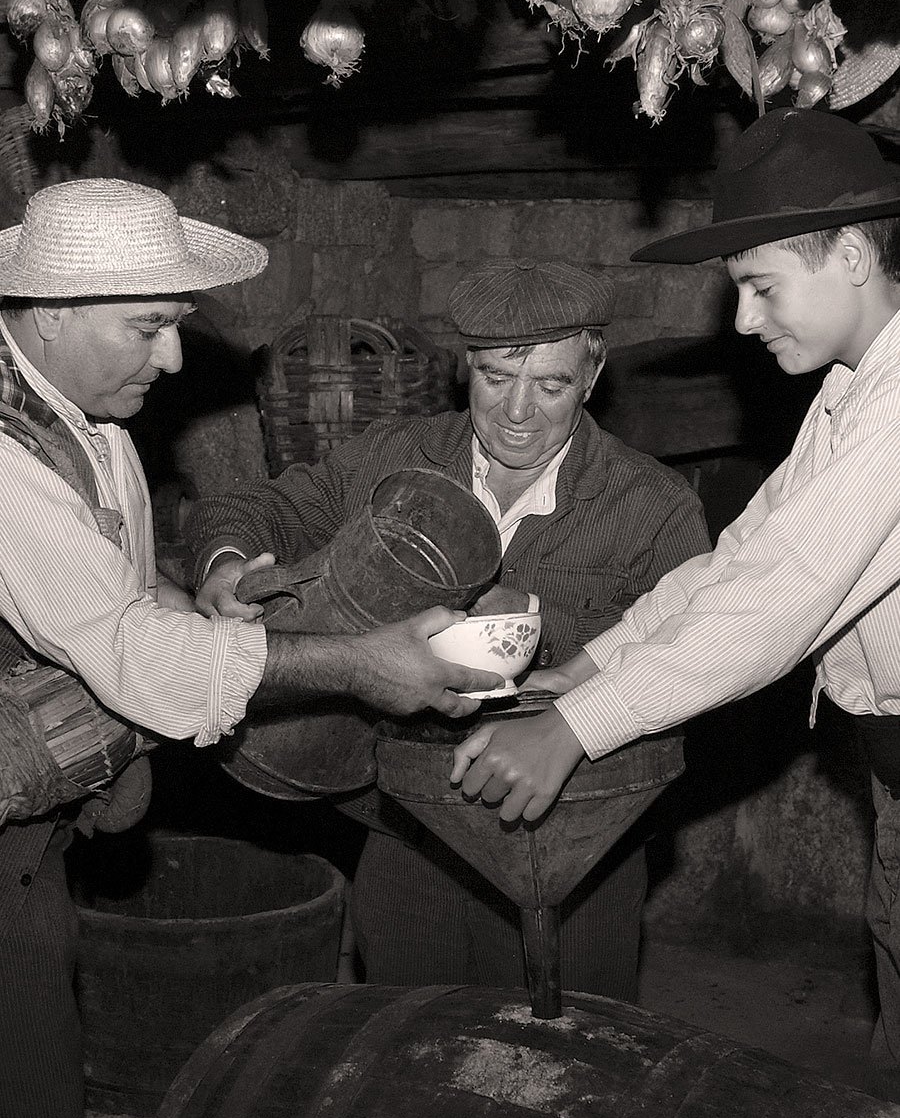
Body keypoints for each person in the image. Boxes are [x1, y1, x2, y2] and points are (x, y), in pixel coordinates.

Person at [0, 178, 500, 1118]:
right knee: (23, 1088)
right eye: (147, 326)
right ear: (50, 312)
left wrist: (206, 598)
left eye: (176, 325)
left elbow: (117, 592)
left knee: (34, 1095)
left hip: (35, 825)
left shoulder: (83, 419)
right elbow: (130, 658)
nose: (175, 359)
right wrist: (357, 663)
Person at [452, 108, 900, 1091]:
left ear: (853, 255)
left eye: (761, 287)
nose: (742, 320)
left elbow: (777, 603)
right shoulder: (853, 391)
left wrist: (575, 728)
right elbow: (740, 558)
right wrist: (590, 665)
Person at [187, 258, 710, 997]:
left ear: (592, 378)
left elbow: (690, 667)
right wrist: (226, 564)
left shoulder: (653, 506)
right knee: (409, 1029)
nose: (519, 411)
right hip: (409, 823)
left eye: (551, 385)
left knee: (573, 1037)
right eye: (497, 377)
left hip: (573, 837)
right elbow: (255, 507)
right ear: (467, 368)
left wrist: (540, 637)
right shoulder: (394, 458)